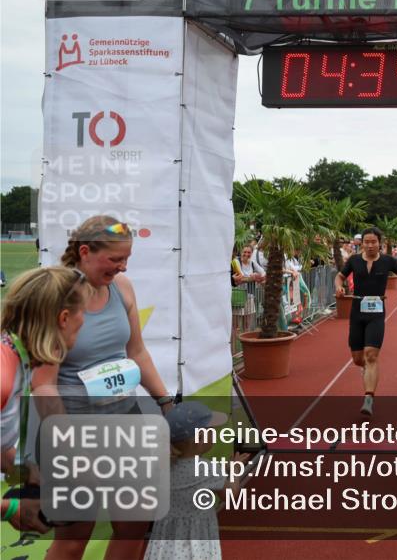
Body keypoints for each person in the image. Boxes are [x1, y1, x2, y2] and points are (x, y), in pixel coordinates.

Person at [33, 215, 174, 560]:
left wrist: (167, 403)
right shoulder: (56, 299)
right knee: (73, 540)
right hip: (75, 432)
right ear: (85, 252)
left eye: (126, 258)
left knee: (133, 528)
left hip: (126, 426)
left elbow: (136, 352)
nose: (122, 267)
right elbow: (43, 385)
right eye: (115, 259)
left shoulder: (122, 288)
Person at [1, 267, 89, 534]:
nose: (84, 321)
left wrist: (28, 472)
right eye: (83, 313)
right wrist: (10, 509)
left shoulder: (19, 360)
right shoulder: (4, 375)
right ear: (64, 318)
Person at [143, 401, 249, 560]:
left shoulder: (162, 464)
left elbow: (189, 474)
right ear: (200, 438)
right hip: (196, 538)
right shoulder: (206, 469)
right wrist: (234, 470)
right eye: (211, 431)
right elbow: (230, 495)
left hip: (165, 536)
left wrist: (221, 469)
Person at [335, 227, 397, 416]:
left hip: (377, 313)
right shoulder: (354, 260)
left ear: (380, 243)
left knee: (371, 355)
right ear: (362, 243)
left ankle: (369, 398)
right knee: (358, 358)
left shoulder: (387, 261)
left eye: (373, 242)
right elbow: (340, 276)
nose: (369, 245)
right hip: (357, 312)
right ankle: (368, 371)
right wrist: (339, 287)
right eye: (366, 242)